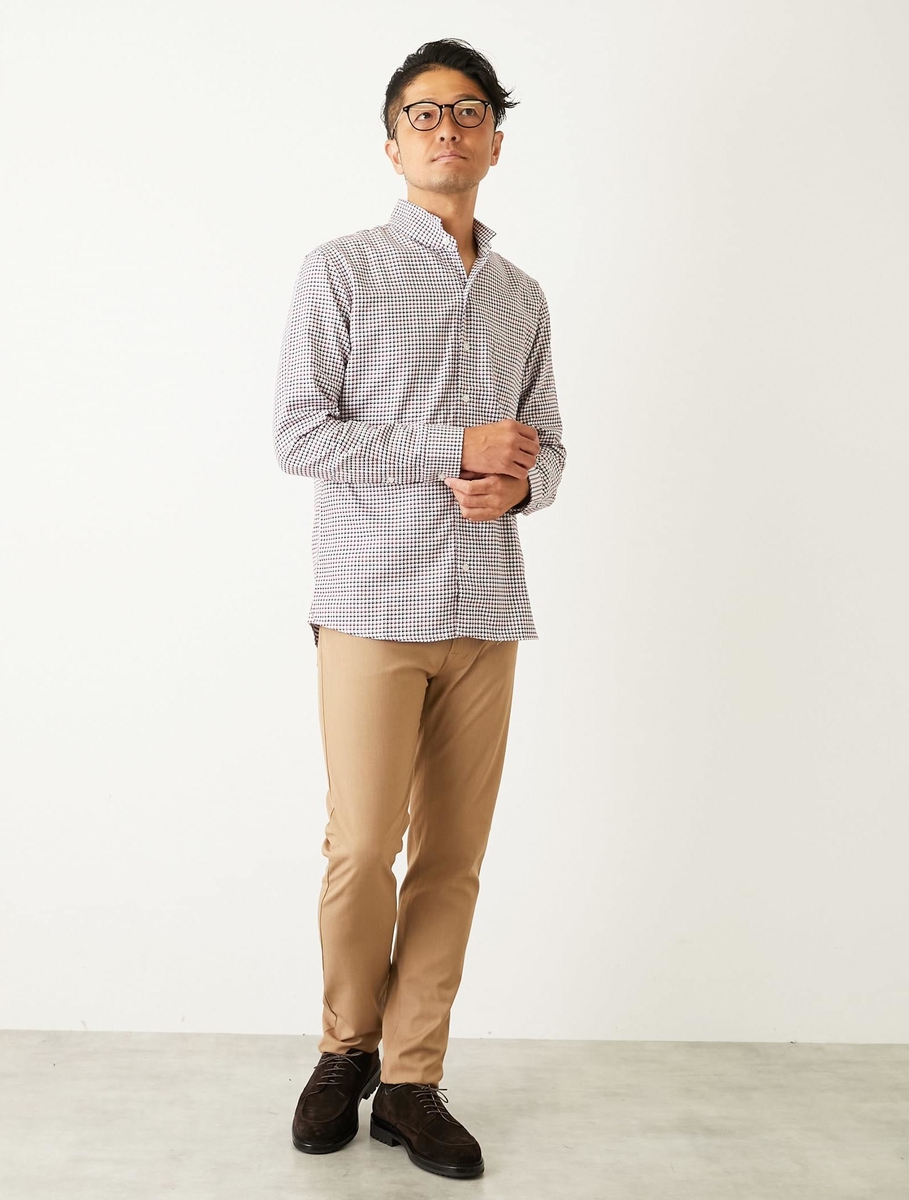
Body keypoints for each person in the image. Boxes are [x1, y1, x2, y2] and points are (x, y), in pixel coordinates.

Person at [274, 37, 567, 1180]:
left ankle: (411, 1080)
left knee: (452, 857)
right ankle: (344, 1048)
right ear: (393, 144)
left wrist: (520, 486)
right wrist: (455, 445)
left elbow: (551, 447)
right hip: (369, 602)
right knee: (362, 847)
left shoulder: (523, 297)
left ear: (496, 141)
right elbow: (301, 436)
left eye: (471, 111)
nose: (449, 129)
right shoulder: (339, 271)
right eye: (425, 113)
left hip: (487, 610)